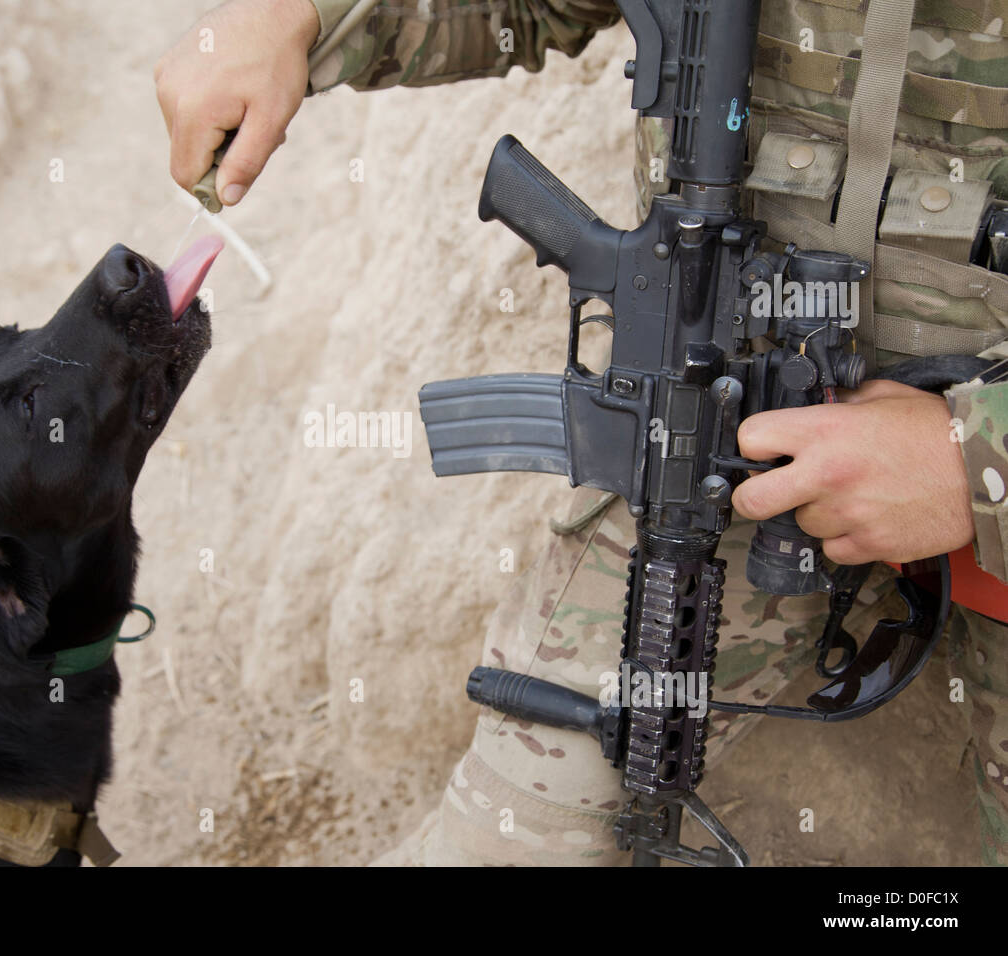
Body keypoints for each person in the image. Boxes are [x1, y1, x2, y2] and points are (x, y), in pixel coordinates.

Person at [155, 0, 1008, 864]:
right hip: (712, 442)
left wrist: (973, 459)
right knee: (509, 844)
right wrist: (296, 17)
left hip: (982, 466)